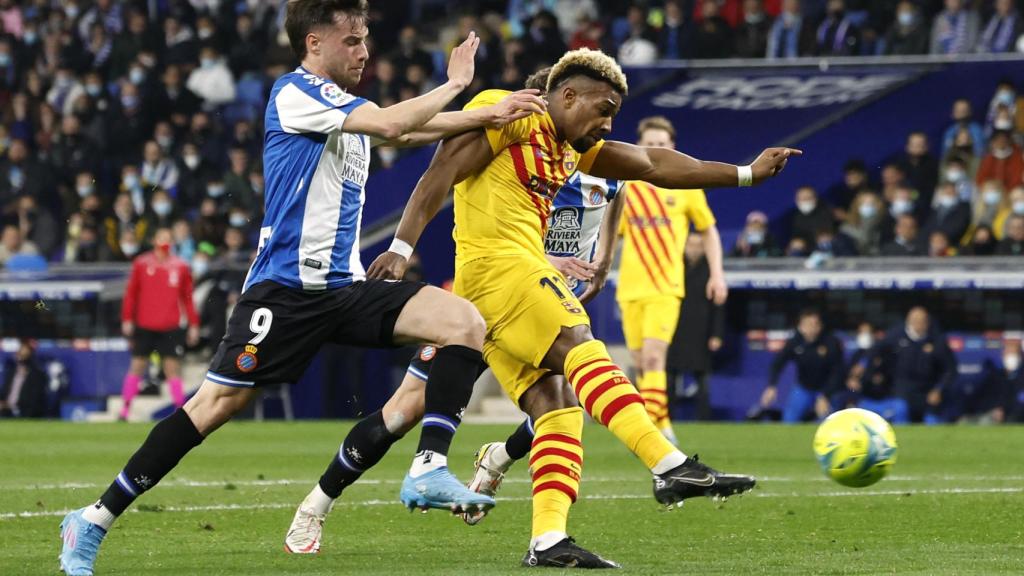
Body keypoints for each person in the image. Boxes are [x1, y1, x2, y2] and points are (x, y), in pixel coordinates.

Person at [58, 2, 546, 574]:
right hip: (283, 292)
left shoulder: (344, 111)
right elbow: (393, 123)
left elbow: (410, 129)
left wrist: (487, 116)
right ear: (315, 43)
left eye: (365, 40)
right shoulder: (295, 94)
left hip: (344, 287)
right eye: (354, 41)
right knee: (214, 407)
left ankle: (428, 467)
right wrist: (458, 86)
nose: (364, 52)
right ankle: (92, 518)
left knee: (462, 321)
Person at [366, 47, 797, 567]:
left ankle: (547, 540)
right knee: (579, 344)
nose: (608, 122)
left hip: (494, 294)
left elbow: (653, 163)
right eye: (603, 108)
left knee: (558, 406)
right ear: (566, 95)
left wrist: (747, 173)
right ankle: (669, 464)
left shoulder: (575, 148)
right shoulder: (510, 111)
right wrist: (402, 248)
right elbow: (442, 170)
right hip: (501, 270)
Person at [615, 115, 728, 444]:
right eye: (650, 143)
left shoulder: (686, 187)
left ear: (673, 147)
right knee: (639, 363)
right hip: (629, 289)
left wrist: (717, 274)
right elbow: (611, 234)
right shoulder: (626, 187)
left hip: (666, 286)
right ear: (639, 146)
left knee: (653, 358)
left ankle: (650, 434)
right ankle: (661, 424)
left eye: (662, 144)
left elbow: (708, 230)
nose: (656, 149)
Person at [117, 227, 199, 420]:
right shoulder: (141, 263)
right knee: (137, 365)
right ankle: (125, 410)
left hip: (170, 326)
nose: (164, 240)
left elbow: (187, 298)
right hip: (145, 324)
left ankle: (179, 411)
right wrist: (127, 318)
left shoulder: (180, 266)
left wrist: (193, 324)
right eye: (161, 237)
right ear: (154, 239)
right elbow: (131, 294)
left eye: (168, 237)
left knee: (172, 368)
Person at [667, 234, 726, 421]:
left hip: (700, 332)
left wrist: (717, 334)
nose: (694, 249)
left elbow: (719, 307)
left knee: (702, 380)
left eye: (699, 245)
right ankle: (667, 419)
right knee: (669, 379)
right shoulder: (673, 267)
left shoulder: (712, 271)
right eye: (691, 245)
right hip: (674, 331)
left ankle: (704, 419)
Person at [868, 307, 957, 423]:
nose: (919, 324)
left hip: (928, 391)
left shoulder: (937, 340)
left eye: (923, 320)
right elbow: (874, 354)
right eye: (915, 320)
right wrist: (875, 373)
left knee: (932, 420)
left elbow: (950, 370)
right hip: (901, 391)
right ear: (908, 321)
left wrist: (939, 390)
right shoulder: (894, 337)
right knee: (900, 409)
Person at [760, 310, 844, 423]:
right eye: (806, 324)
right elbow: (777, 364)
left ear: (820, 326)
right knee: (789, 421)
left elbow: (838, 372)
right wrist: (772, 386)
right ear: (800, 326)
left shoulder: (831, 342)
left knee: (830, 424)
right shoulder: (795, 342)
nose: (810, 328)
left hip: (826, 389)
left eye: (813, 324)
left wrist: (825, 395)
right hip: (803, 388)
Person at [0, 339, 48, 418]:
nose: (20, 354)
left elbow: (35, 399)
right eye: (19, 352)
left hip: (23, 410)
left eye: (24, 352)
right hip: (6, 409)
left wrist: (17, 407)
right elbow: (4, 391)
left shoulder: (37, 374)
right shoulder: (11, 372)